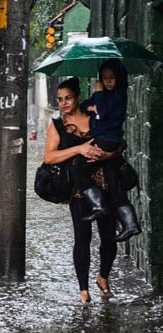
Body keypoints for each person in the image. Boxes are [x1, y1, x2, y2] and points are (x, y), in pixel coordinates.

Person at [43, 77, 126, 305]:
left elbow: (120, 141)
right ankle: (83, 291)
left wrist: (108, 154)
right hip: (79, 191)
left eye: (68, 98)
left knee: (109, 238)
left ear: (78, 97)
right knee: (82, 239)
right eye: (60, 100)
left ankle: (103, 277)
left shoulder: (97, 118)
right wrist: (78, 148)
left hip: (106, 186)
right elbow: (49, 157)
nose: (64, 103)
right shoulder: (58, 125)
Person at [72, 59, 142, 242]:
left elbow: (101, 112)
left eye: (112, 78)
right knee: (113, 182)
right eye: (104, 78)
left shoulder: (118, 95)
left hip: (108, 140)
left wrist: (99, 94)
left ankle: (98, 204)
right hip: (106, 140)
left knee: (78, 166)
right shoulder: (104, 95)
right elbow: (84, 106)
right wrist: (92, 104)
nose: (108, 81)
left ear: (119, 78)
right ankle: (131, 224)